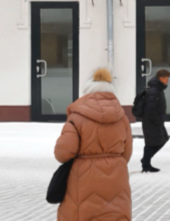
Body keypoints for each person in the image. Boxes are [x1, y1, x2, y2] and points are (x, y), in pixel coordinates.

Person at [54, 68, 133, 221]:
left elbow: (63, 153)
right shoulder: (122, 118)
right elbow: (127, 153)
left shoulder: (77, 118)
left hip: (84, 176)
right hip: (117, 174)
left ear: (87, 92)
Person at [141, 69, 170, 173]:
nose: (167, 81)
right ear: (161, 78)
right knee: (151, 143)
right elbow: (150, 109)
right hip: (152, 121)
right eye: (166, 79)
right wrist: (158, 122)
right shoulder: (154, 90)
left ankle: (146, 161)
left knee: (163, 138)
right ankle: (146, 165)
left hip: (155, 121)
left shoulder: (156, 88)